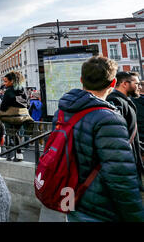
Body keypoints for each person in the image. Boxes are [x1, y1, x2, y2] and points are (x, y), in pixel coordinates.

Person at [56, 56, 144, 221]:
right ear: (113, 84)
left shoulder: (62, 112)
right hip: (99, 206)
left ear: (82, 80)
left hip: (70, 196)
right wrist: (136, 216)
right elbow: (120, 175)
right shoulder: (110, 119)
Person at [106, 71, 144, 192]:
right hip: (125, 165)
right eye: (136, 83)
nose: (139, 87)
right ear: (124, 84)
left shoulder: (124, 100)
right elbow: (117, 135)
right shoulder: (115, 101)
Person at [0, 71, 33, 162]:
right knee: (16, 135)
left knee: (12, 134)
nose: (4, 83)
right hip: (23, 116)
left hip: (11, 117)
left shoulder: (9, 91)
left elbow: (3, 106)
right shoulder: (22, 89)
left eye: (5, 81)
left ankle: (16, 154)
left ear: (12, 81)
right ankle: (17, 154)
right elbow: (27, 103)